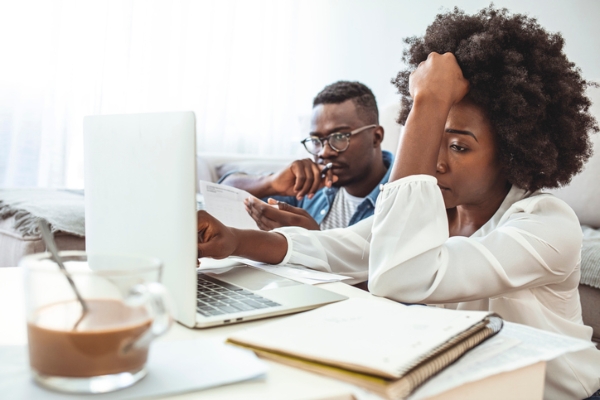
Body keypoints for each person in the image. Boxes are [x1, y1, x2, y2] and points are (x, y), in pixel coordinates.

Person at [196, 6, 600, 399]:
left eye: (459, 146)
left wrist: (428, 101)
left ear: (514, 151)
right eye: (428, 139)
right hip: (470, 382)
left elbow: (401, 276)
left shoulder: (546, 224)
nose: (435, 164)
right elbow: (341, 247)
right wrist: (235, 240)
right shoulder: (439, 214)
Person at [219, 81, 393, 231]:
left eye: (339, 137)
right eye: (316, 140)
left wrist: (312, 241)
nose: (324, 152)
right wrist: (271, 183)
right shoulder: (312, 186)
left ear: (376, 137)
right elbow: (221, 193)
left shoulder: (402, 194)